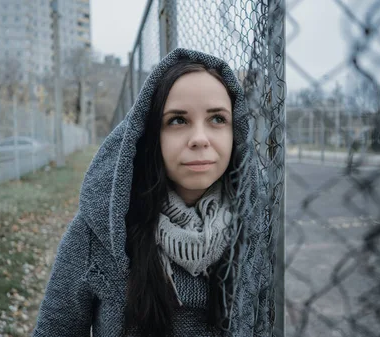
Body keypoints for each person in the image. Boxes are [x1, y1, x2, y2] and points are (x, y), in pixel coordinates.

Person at [32, 48, 272, 337]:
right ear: (149, 134)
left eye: (217, 119)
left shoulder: (254, 228)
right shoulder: (99, 231)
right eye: (178, 120)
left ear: (237, 132)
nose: (199, 138)